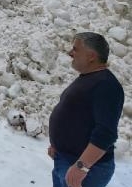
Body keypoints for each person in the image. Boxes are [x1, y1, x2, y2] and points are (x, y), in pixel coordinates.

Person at [48, 32, 125, 187]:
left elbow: (105, 134)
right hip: (66, 160)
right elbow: (77, 117)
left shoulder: (106, 85)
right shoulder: (90, 78)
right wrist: (58, 144)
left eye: (75, 49)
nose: (70, 53)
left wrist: (81, 168)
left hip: (87, 170)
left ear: (91, 56)